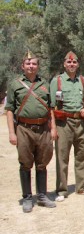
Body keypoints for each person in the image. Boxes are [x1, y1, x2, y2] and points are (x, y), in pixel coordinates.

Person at [5, 50, 57, 213]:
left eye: (34, 63)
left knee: (42, 162)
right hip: (24, 129)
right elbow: (9, 110)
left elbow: (51, 109)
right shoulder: (15, 84)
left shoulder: (45, 84)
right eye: (28, 63)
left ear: (38, 66)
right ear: (22, 66)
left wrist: (53, 128)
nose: (31, 66)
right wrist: (12, 133)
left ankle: (41, 195)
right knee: (25, 162)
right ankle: (27, 197)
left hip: (43, 129)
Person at [50, 51, 84, 202]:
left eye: (74, 62)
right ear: (64, 64)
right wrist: (53, 127)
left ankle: (81, 187)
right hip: (64, 123)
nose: (71, 64)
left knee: (82, 155)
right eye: (69, 62)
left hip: (81, 122)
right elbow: (51, 106)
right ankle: (62, 190)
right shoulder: (57, 81)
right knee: (62, 157)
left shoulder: (83, 81)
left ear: (78, 64)